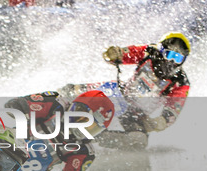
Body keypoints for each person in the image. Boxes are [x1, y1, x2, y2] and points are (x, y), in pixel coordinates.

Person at [61, 32, 190, 149]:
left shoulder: (180, 82)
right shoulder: (149, 52)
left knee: (138, 141)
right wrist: (115, 54)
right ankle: (56, 105)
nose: (171, 61)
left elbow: (174, 108)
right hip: (119, 94)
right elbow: (128, 53)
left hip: (137, 114)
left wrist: (160, 122)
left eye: (178, 58)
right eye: (169, 55)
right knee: (74, 90)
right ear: (160, 50)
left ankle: (95, 138)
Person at [3, 90, 115, 171]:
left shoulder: (84, 151)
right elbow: (18, 104)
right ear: (74, 108)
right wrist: (20, 109)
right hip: (4, 150)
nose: (82, 128)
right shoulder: (55, 103)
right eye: (83, 119)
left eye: (92, 128)